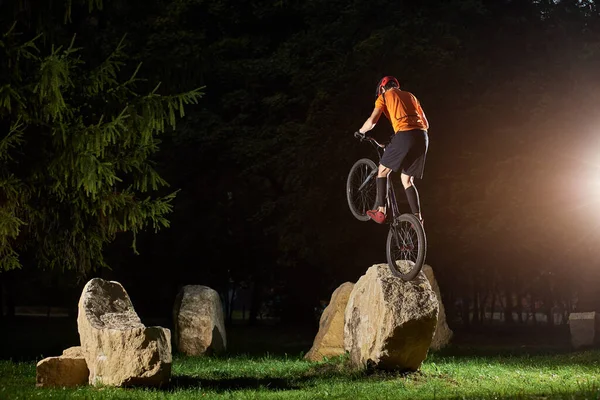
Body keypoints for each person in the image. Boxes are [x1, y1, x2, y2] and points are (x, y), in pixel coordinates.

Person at [356, 76, 429, 224]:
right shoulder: (410, 96)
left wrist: (361, 132)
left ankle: (381, 211)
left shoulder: (383, 96)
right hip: (423, 137)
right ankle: (418, 218)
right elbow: (426, 123)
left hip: (404, 134)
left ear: (382, 88)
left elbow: (372, 121)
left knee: (382, 171)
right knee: (407, 179)